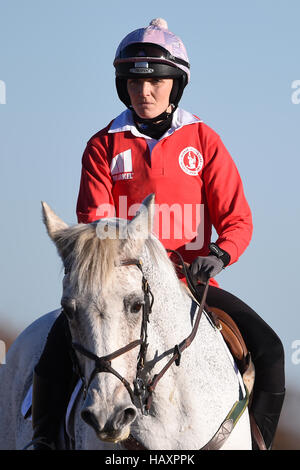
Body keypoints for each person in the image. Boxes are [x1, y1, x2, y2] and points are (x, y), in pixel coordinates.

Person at [31, 18, 285, 450]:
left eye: (155, 83)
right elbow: (96, 225)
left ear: (176, 85)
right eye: (132, 82)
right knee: (53, 352)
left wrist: (219, 255)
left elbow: (238, 219)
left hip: (192, 285)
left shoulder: (204, 140)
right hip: (119, 288)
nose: (143, 92)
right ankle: (42, 440)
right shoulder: (102, 146)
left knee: (272, 350)